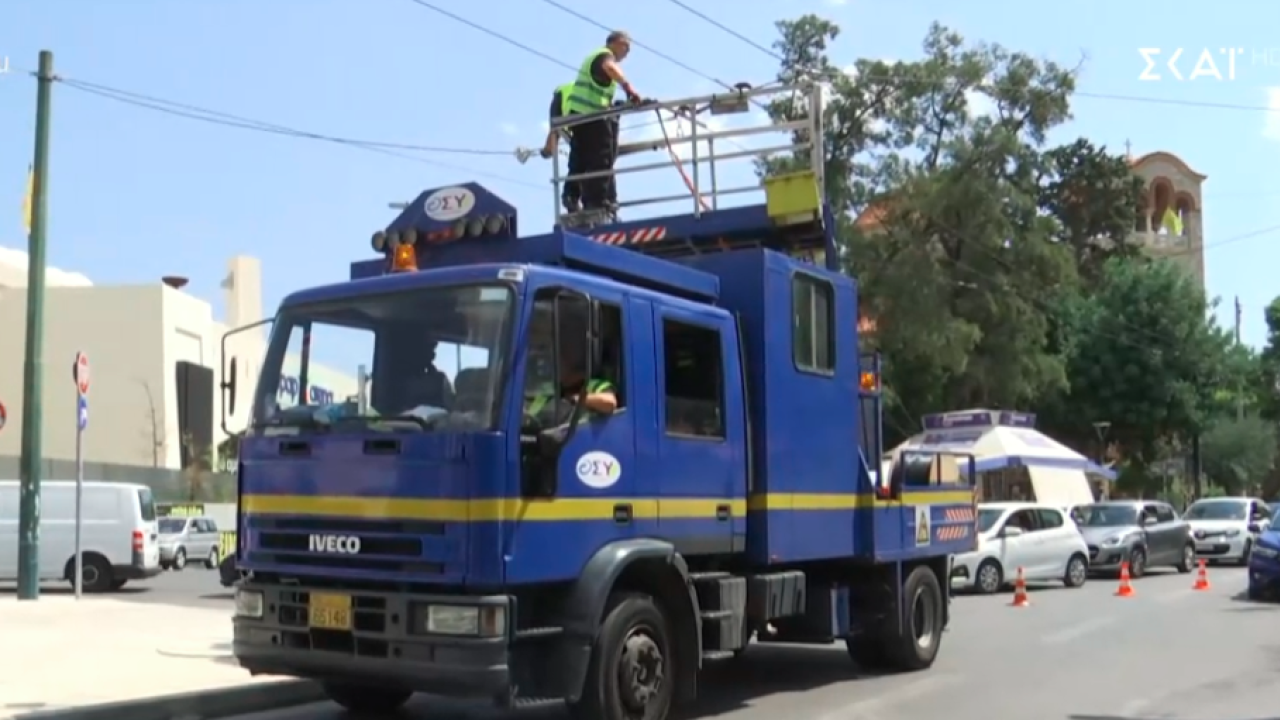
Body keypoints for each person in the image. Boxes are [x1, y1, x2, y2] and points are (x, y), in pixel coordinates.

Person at [564, 30, 641, 216]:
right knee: (602, 156)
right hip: (592, 116)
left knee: (580, 159)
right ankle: (596, 201)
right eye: (626, 47)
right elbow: (609, 67)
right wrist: (629, 89)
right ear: (616, 42)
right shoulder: (604, 56)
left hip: (578, 115)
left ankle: (571, 196)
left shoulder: (592, 57)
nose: (627, 53)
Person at [524, 350, 617, 426]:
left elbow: (609, 403)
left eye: (561, 362)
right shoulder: (549, 388)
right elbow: (530, 416)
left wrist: (577, 399)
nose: (555, 366)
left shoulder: (596, 385)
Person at [542, 82, 581, 212]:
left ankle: (571, 198)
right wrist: (549, 149)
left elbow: (555, 131)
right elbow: (555, 132)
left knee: (581, 157)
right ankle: (571, 198)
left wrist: (548, 150)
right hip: (573, 108)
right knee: (582, 158)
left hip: (564, 99)